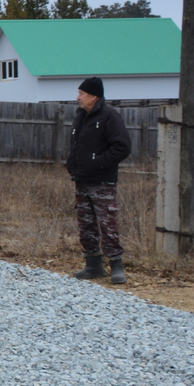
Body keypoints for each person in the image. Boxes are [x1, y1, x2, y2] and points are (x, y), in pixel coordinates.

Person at [65, 76, 132, 284]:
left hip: (102, 181)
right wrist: (72, 163)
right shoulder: (81, 116)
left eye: (82, 94)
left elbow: (122, 147)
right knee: (86, 224)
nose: (78, 98)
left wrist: (99, 162)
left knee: (108, 223)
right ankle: (93, 265)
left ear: (94, 96)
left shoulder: (109, 116)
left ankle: (116, 266)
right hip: (82, 180)